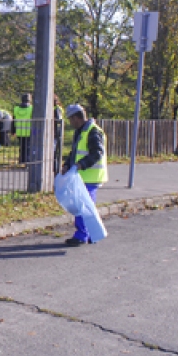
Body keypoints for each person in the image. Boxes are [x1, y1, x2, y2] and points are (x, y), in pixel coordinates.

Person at [61, 104, 108, 246]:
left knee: (83, 207)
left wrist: (81, 165)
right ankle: (88, 234)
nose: (70, 122)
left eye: (70, 119)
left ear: (76, 118)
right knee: (83, 207)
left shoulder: (93, 132)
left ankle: (83, 235)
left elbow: (97, 153)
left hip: (90, 177)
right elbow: (75, 152)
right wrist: (67, 164)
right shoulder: (83, 131)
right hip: (83, 176)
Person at [13, 94, 33, 163]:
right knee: (28, 147)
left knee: (21, 147)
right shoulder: (31, 108)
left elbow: (14, 120)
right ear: (29, 100)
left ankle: (21, 160)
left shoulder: (16, 109)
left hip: (19, 131)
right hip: (29, 131)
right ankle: (27, 161)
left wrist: (13, 131)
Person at [53, 94, 64, 174]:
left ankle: (56, 170)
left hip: (55, 133)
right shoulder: (56, 108)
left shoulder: (57, 109)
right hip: (55, 133)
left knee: (54, 153)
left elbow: (58, 121)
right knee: (53, 153)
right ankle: (55, 169)